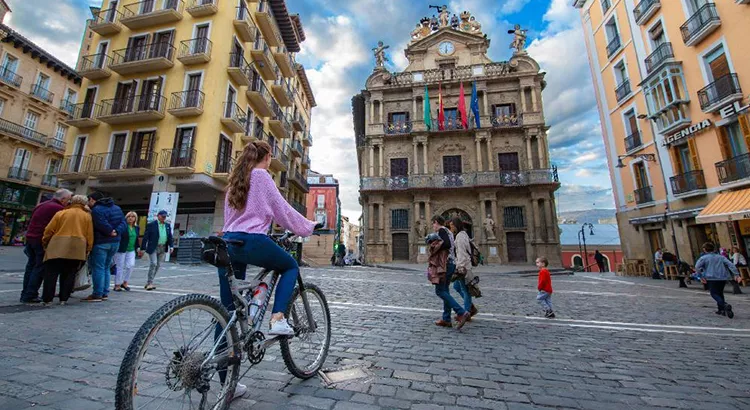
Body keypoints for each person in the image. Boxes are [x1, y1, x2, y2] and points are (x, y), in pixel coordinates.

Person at [20, 189, 72, 304]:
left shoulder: (41, 205)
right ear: (62, 199)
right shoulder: (58, 209)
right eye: (68, 200)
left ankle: (25, 293)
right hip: (41, 240)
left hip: (31, 238)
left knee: (31, 266)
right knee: (39, 268)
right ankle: (31, 294)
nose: (68, 202)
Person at [41, 195, 93, 305]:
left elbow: (49, 230)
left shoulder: (61, 213)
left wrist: (45, 242)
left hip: (57, 246)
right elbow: (89, 235)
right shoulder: (87, 216)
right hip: (77, 247)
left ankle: (47, 299)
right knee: (70, 274)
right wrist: (88, 249)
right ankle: (64, 298)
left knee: (51, 274)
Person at [84, 191, 125, 302]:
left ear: (92, 199)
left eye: (89, 201)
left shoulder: (97, 210)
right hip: (115, 242)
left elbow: (100, 223)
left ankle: (97, 293)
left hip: (101, 242)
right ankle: (105, 292)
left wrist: (110, 231)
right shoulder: (117, 208)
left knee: (98, 267)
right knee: (106, 267)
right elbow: (123, 222)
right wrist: (116, 231)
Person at [429, 215, 469, 329]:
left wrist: (434, 245)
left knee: (440, 291)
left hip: (445, 265)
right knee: (445, 290)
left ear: (436, 222)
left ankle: (461, 312)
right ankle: (446, 319)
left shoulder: (442, 230)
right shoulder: (449, 232)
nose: (433, 226)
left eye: (433, 223)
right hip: (450, 264)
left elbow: (446, 244)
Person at [695, 242, 742, 318]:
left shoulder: (703, 258)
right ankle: (721, 309)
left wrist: (700, 276)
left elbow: (697, 267)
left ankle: (724, 305)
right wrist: (736, 274)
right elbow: (731, 265)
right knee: (720, 293)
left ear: (704, 249)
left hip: (711, 277)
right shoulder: (721, 257)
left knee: (714, 293)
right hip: (722, 277)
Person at [449, 217, 478, 321]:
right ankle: (470, 307)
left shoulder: (460, 237)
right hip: (465, 266)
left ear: (456, 225)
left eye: (452, 225)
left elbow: (462, 254)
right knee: (457, 287)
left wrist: (459, 268)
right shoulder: (463, 235)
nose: (450, 228)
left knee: (466, 291)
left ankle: (466, 313)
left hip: (463, 267)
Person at [141, 210, 173, 291]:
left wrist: (171, 246)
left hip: (163, 247)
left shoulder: (167, 225)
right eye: (162, 216)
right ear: (158, 216)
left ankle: (150, 282)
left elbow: (170, 237)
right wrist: (143, 248)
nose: (163, 218)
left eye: (165, 216)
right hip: (153, 247)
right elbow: (146, 236)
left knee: (158, 265)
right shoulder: (152, 225)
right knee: (154, 264)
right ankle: (149, 283)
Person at [114, 211, 140, 292]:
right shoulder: (123, 226)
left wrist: (138, 247)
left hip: (131, 249)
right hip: (122, 249)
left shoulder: (136, 228)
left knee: (131, 265)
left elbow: (136, 239)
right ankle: (117, 284)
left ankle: (125, 282)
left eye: (133, 216)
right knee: (120, 266)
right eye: (129, 216)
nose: (130, 218)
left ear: (135, 218)